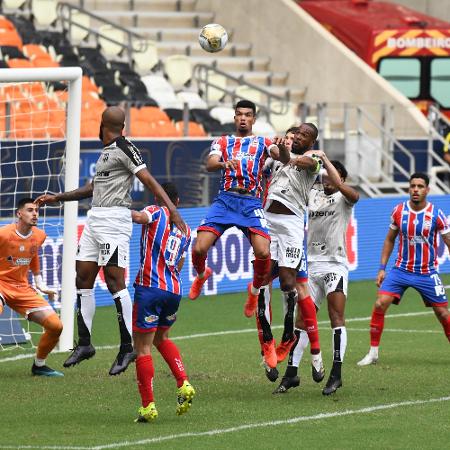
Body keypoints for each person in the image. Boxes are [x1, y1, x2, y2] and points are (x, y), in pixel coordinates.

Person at [36, 106, 186, 376]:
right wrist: (57, 198)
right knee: (82, 277)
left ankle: (127, 346)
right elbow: (93, 188)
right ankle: (85, 343)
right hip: (95, 219)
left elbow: (149, 180)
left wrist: (172, 212)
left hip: (115, 220)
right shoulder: (106, 152)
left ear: (103, 124)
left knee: (115, 281)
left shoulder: (126, 148)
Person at [188, 100, 289, 326]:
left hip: (251, 202)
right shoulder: (223, 141)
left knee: (264, 253)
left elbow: (282, 156)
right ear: (235, 118)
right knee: (199, 247)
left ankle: (253, 291)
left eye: (248, 115)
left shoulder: (263, 142)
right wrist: (223, 164)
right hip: (225, 200)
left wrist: (282, 146)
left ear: (254, 119)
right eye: (239, 114)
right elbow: (210, 163)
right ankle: (202, 275)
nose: (243, 118)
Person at [274, 160, 359, 395]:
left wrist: (336, 177)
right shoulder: (312, 193)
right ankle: (291, 373)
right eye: (325, 176)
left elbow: (355, 195)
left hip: (335, 265)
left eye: (333, 176)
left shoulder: (344, 197)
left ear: (340, 177)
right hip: (310, 265)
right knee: (301, 321)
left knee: (336, 316)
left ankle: (336, 373)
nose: (327, 179)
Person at [358, 172, 450, 367]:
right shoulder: (399, 211)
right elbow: (390, 239)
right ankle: (373, 353)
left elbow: (448, 241)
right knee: (380, 303)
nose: (415, 190)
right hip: (401, 271)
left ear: (427, 190)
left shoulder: (436, 215)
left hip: (427, 273)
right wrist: (382, 268)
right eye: (413, 186)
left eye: (420, 186)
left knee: (443, 314)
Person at [257, 124, 325, 376]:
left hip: (292, 225)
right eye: (296, 134)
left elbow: (299, 162)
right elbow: (265, 164)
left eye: (304, 135)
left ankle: (289, 336)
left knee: (289, 283)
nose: (298, 137)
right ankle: (266, 345)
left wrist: (283, 153)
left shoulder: (314, 158)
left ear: (312, 140)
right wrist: (270, 150)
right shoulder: (277, 156)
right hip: (267, 221)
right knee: (261, 281)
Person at [131, 182, 195, 422]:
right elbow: (179, 264)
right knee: (162, 338)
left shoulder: (156, 212)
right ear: (177, 201)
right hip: (174, 291)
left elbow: (139, 217)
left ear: (159, 198)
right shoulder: (186, 229)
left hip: (149, 288)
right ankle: (183, 382)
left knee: (143, 347)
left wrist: (115, 209)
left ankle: (148, 406)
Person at [0, 198, 63, 377]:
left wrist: (39, 283)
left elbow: (32, 253)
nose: (35, 213)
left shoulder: (40, 235)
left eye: (36, 210)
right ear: (19, 213)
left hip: (22, 288)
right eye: (29, 210)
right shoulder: (3, 234)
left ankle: (39, 366)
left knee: (55, 326)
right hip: (1, 284)